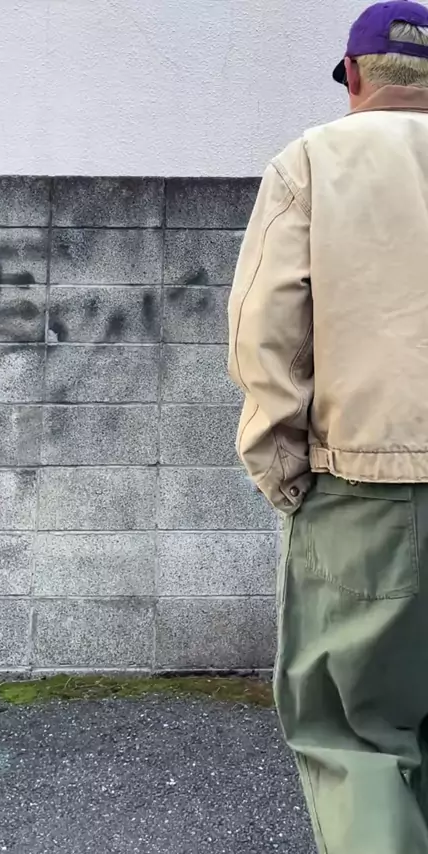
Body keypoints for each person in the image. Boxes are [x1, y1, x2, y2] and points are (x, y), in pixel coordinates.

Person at [228, 2, 428, 852]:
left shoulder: (310, 162)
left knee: (356, 738)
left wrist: (281, 470)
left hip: (359, 491)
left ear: (353, 76)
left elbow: (265, 330)